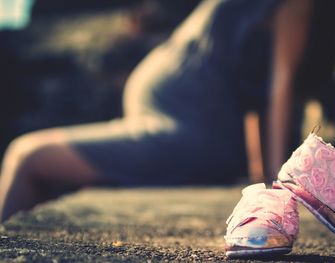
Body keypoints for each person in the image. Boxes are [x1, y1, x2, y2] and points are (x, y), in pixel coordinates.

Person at [0, 0, 312, 222]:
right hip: (173, 124)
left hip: (188, 133)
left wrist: (274, 184)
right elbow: (251, 92)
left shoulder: (296, 3)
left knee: (26, 155)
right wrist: (259, 175)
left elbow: (278, 85)